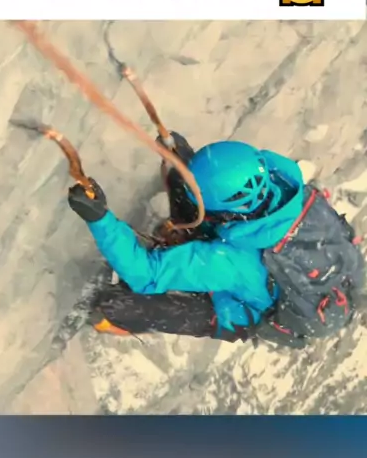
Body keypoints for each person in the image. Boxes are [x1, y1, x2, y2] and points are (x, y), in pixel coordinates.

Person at [67, 134, 365, 348]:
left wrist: (99, 218)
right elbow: (227, 182)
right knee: (182, 184)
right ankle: (188, 216)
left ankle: (112, 318)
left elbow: (146, 274)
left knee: (115, 305)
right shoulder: (287, 189)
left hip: (255, 309)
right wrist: (189, 161)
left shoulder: (229, 263)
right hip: (313, 281)